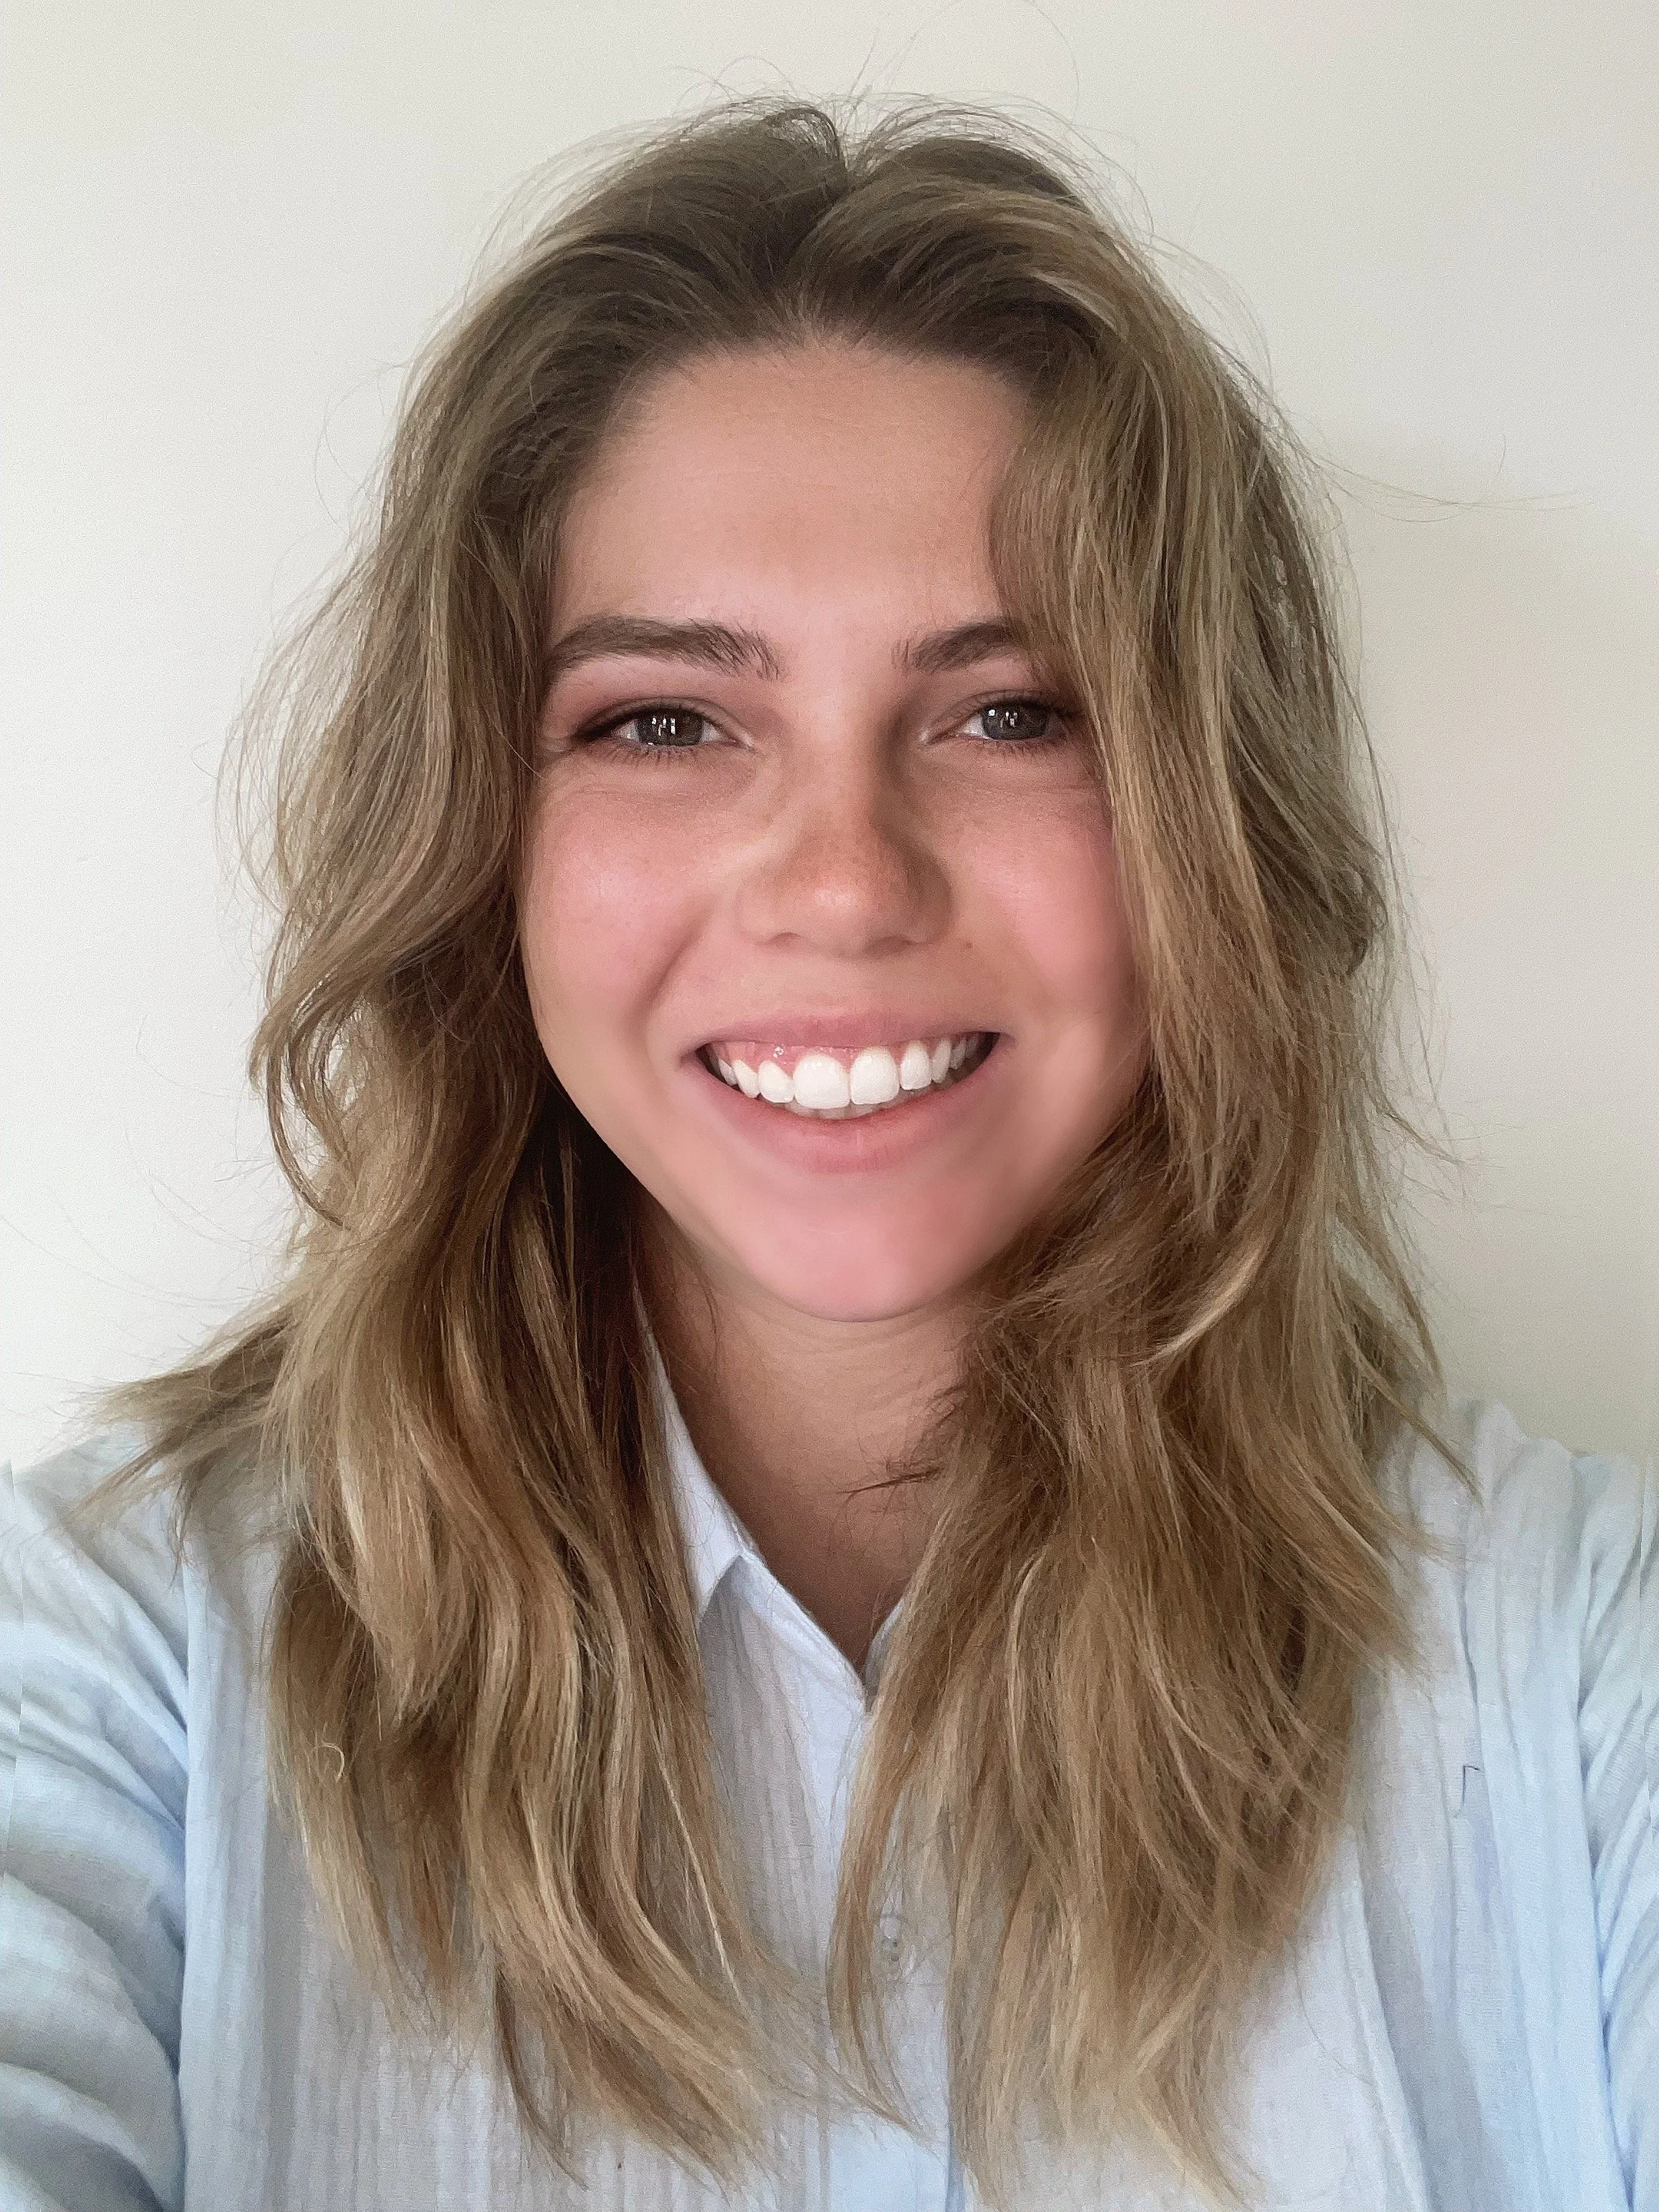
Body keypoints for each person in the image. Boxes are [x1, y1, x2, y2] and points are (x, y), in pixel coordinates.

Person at [0, 95, 1650, 2212]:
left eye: (1012, 712)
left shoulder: (1574, 1655)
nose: (847, 886)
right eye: (664, 722)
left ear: (1210, 830)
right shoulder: (112, 1668)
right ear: (480, 839)